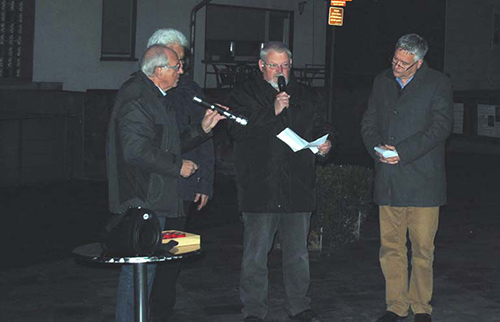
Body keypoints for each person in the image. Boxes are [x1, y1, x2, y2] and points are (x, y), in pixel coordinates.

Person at [106, 45, 224, 322]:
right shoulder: (137, 98)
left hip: (155, 194)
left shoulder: (156, 97)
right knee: (138, 272)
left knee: (147, 270)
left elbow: (169, 144)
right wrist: (177, 167)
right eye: (176, 67)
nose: (181, 71)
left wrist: (203, 129)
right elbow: (135, 151)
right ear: (159, 71)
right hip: (142, 197)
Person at [227, 41, 334, 322]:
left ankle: (299, 306)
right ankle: (253, 310)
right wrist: (272, 111)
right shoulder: (243, 93)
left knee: (297, 254)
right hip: (260, 187)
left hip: (297, 185)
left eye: (285, 65)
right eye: (274, 65)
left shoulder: (306, 94)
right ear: (261, 65)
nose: (280, 71)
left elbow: (321, 126)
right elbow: (237, 131)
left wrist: (325, 146)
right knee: (255, 255)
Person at [361, 33, 453, 322]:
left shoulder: (438, 83)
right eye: (394, 60)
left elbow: (441, 127)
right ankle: (396, 305)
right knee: (390, 248)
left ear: (420, 62)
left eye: (404, 63)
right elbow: (369, 120)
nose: (396, 67)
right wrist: (376, 147)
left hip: (423, 182)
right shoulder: (382, 81)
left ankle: (421, 306)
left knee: (423, 249)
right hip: (388, 179)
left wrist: (403, 151)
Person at [146, 28, 215, 320]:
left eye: (183, 60)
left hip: (186, 187)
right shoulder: (145, 92)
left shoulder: (190, 89)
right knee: (149, 253)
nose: (182, 67)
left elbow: (205, 137)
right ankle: (143, 308)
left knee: (176, 252)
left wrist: (206, 181)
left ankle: (164, 310)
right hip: (155, 187)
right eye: (177, 60)